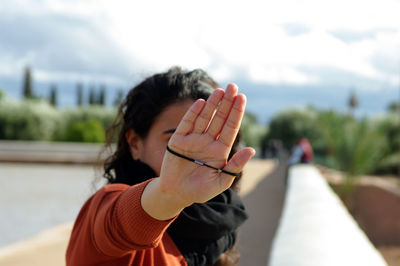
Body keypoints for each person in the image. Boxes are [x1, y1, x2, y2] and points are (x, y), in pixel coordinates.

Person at [66, 67, 256, 266]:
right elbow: (120, 223)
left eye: (211, 141)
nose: (198, 157)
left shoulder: (222, 223)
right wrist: (169, 194)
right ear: (135, 143)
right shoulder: (103, 218)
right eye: (175, 140)